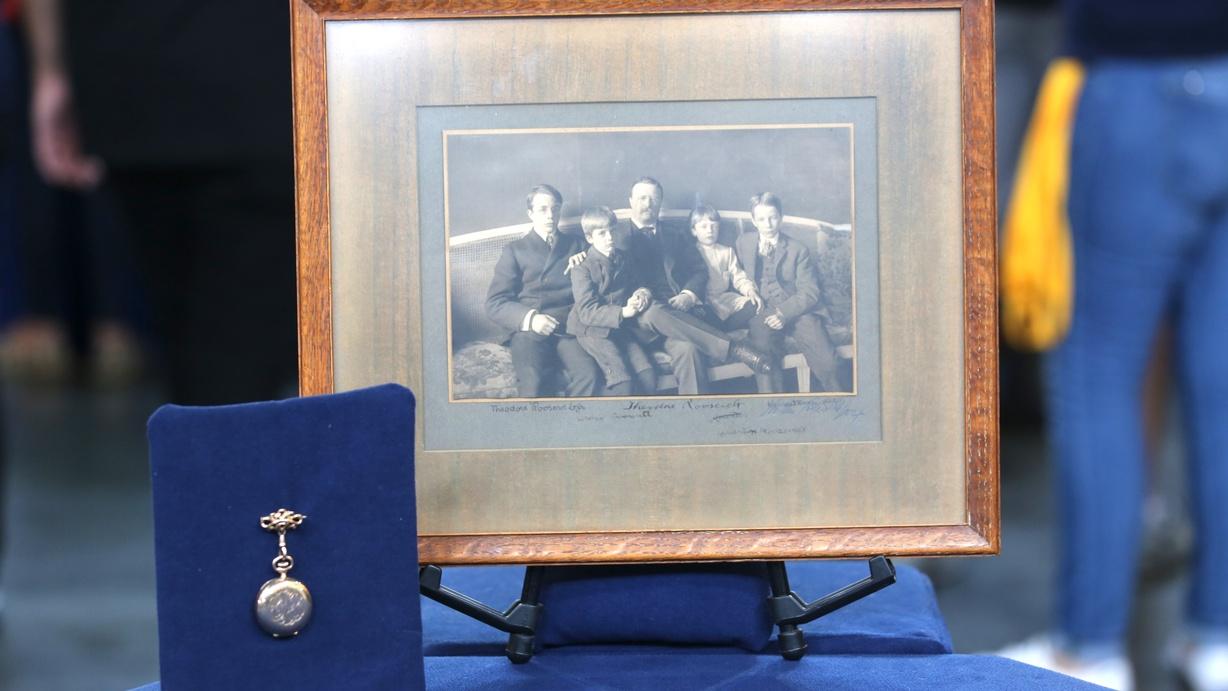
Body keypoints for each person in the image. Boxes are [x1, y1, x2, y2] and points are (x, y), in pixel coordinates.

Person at [991, 1, 1228, 689]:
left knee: (1097, 376)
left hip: (1134, 82)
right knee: (1221, 384)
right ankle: (1217, 634)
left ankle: (1087, 646)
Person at [610, 177, 771, 393]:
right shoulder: (614, 236)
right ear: (631, 201)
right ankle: (733, 347)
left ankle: (695, 417)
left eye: (654, 198)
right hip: (642, 319)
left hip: (682, 317)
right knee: (655, 310)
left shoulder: (675, 235)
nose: (648, 203)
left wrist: (688, 294)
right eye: (642, 198)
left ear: (660, 203)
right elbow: (597, 264)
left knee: (688, 351)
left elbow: (698, 270)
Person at [485, 183, 601, 398]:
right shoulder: (515, 250)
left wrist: (590, 263)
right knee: (533, 382)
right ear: (530, 213)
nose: (550, 215)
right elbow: (495, 302)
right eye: (543, 209)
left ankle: (575, 427)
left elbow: (602, 281)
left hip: (568, 328)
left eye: (555, 208)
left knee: (590, 375)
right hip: (530, 331)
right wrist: (531, 319)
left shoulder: (577, 245)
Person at [735, 193, 841, 393]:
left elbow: (810, 291)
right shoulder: (743, 243)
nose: (768, 224)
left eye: (773, 217)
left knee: (828, 361)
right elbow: (734, 274)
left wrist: (783, 313)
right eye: (761, 219)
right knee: (763, 355)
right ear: (753, 221)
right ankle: (772, 406)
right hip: (762, 310)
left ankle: (839, 403)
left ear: (781, 217)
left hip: (797, 309)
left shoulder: (798, 249)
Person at [567, 207, 656, 396]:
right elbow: (587, 312)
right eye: (602, 233)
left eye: (613, 231)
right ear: (590, 238)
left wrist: (639, 295)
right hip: (591, 329)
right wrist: (623, 312)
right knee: (622, 381)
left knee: (647, 374)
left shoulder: (622, 257)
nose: (610, 237)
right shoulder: (581, 267)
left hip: (619, 327)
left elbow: (638, 284)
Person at [689, 205, 762, 330]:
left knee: (754, 304)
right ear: (694, 231)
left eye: (714, 226)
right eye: (704, 226)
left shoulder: (726, 252)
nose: (710, 230)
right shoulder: (691, 252)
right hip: (701, 301)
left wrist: (750, 291)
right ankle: (724, 332)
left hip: (723, 298)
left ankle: (723, 331)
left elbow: (738, 276)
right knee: (698, 314)